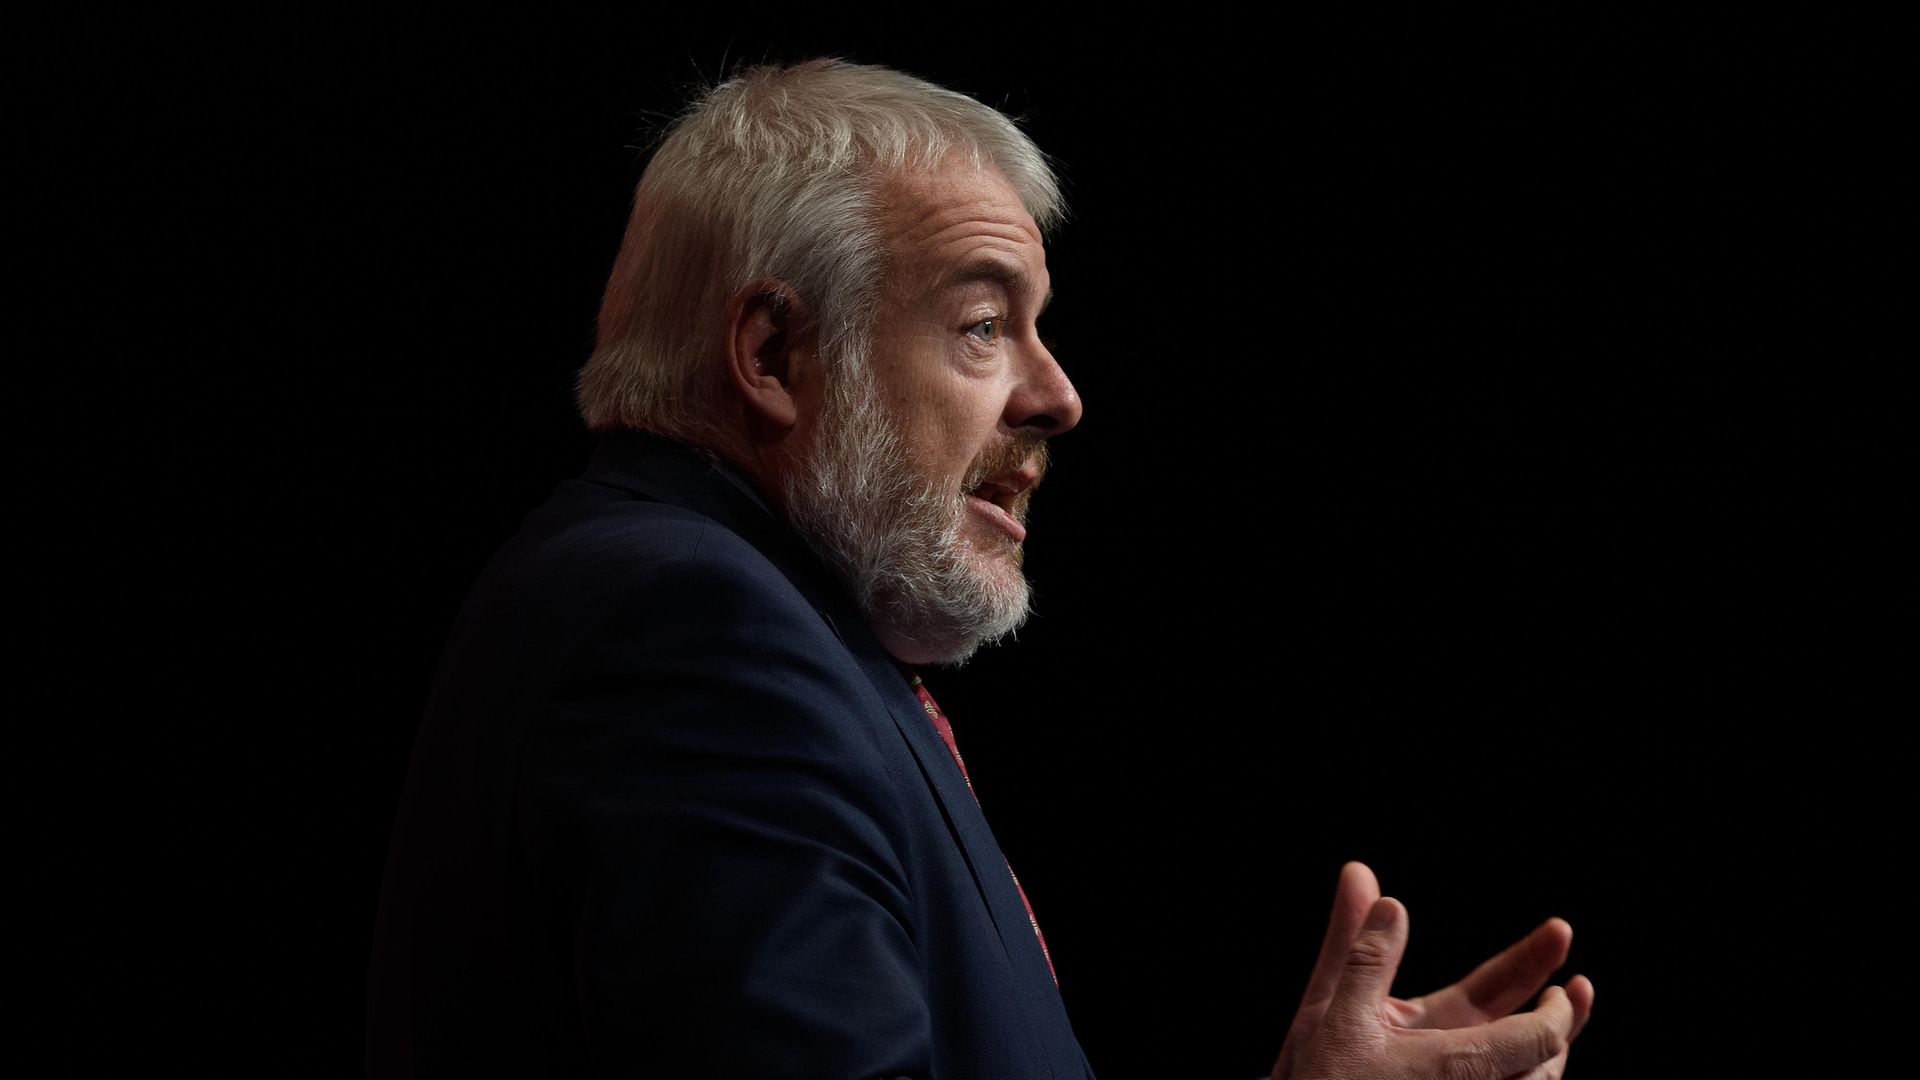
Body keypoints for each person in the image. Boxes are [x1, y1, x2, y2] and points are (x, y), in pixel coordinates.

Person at [368, 59, 1594, 1078]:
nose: (1057, 395)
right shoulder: (691, 631)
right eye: (983, 324)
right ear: (773, 351)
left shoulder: (716, 609)